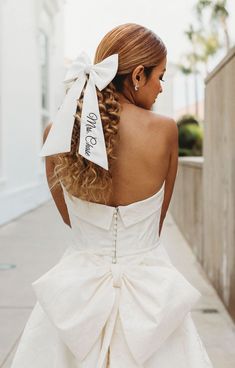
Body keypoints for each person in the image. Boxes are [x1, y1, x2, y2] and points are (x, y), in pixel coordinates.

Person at [11, 23, 214, 367]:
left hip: (77, 295)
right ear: (138, 75)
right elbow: (155, 225)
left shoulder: (57, 132)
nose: (161, 88)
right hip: (149, 298)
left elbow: (71, 221)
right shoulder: (164, 131)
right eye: (160, 77)